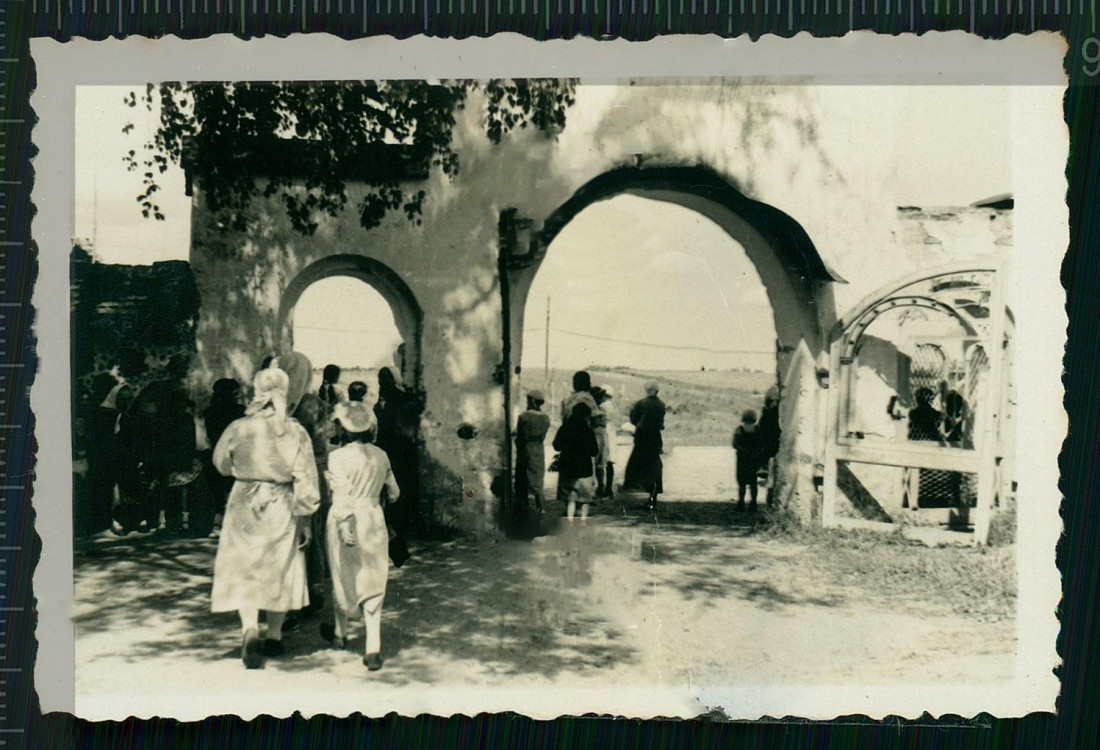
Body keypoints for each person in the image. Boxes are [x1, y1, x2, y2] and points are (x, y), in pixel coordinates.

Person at [210, 367, 320, 669]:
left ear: (256, 391)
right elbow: (306, 476)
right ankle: (273, 636)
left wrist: (242, 472)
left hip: (244, 499)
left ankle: (249, 628)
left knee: (245, 564)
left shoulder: (238, 427)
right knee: (279, 565)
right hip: (281, 502)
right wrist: (307, 516)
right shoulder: (294, 430)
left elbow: (220, 463)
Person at [321, 402, 399, 671]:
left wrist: (343, 522)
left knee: (343, 573)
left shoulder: (337, 457)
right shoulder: (381, 455)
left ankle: (340, 634)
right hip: (373, 518)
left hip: (347, 517)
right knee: (373, 577)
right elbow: (394, 493)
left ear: (343, 427)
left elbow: (340, 495)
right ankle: (372, 647)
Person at [274, 352, 330, 622]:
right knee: (310, 531)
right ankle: (311, 589)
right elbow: (322, 444)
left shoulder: (270, 404)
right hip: (311, 472)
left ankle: (283, 598)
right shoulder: (315, 404)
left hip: (277, 476)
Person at [374, 366, 421, 534]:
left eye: (385, 379)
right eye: (380, 379)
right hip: (387, 448)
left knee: (401, 485)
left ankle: (404, 524)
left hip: (401, 449)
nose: (382, 382)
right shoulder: (382, 399)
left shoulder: (402, 398)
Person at [203, 379, 245, 539]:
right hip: (234, 455)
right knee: (231, 489)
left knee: (219, 491)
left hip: (216, 455)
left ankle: (218, 524)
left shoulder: (210, 413)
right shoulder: (239, 412)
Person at [623, 381, 666, 511]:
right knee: (655, 465)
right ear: (657, 391)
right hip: (655, 436)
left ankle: (633, 488)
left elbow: (633, 419)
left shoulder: (641, 403)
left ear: (647, 390)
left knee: (637, 463)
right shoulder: (661, 404)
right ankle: (653, 497)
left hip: (642, 435)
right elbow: (661, 423)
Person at [553, 402, 599, 522]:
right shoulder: (588, 431)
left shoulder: (564, 428)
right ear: (586, 416)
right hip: (584, 468)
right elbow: (594, 451)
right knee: (584, 498)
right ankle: (583, 521)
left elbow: (556, 446)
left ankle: (569, 520)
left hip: (567, 467)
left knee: (570, 497)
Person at [514, 389, 551, 514]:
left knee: (522, 480)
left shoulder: (524, 417)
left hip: (526, 449)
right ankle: (542, 508)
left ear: (531, 400)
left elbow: (521, 437)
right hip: (539, 450)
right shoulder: (546, 418)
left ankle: (523, 511)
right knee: (537, 482)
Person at [732, 409, 761, 512]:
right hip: (754, 459)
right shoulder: (757, 429)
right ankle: (753, 504)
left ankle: (741, 504)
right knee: (753, 483)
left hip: (742, 460)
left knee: (742, 483)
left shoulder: (739, 429)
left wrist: (744, 451)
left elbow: (735, 444)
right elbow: (761, 444)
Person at [756, 387, 782, 505]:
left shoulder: (768, 414)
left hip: (773, 448)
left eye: (776, 401)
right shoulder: (768, 415)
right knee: (772, 478)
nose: (774, 403)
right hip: (771, 448)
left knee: (772, 478)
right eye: (773, 401)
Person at [590, 387, 615, 499]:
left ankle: (600, 487)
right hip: (599, 435)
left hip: (601, 435)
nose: (603, 398)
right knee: (599, 462)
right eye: (601, 396)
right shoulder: (597, 408)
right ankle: (600, 487)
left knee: (600, 462)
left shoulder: (599, 409)